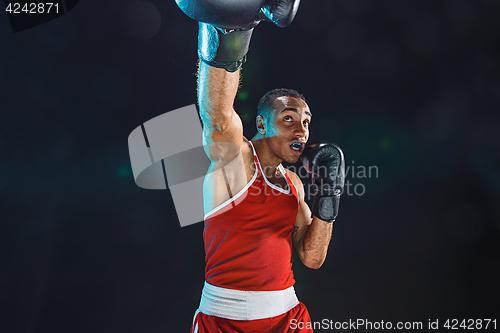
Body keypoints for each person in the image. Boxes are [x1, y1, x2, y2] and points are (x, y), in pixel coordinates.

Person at [175, 0, 345, 331]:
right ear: (262, 125)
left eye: (307, 122)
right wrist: (233, 27)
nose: (302, 130)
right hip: (224, 319)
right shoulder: (236, 163)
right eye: (289, 119)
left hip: (288, 318)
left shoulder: (293, 184)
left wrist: (329, 196)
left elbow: (312, 258)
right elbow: (218, 118)